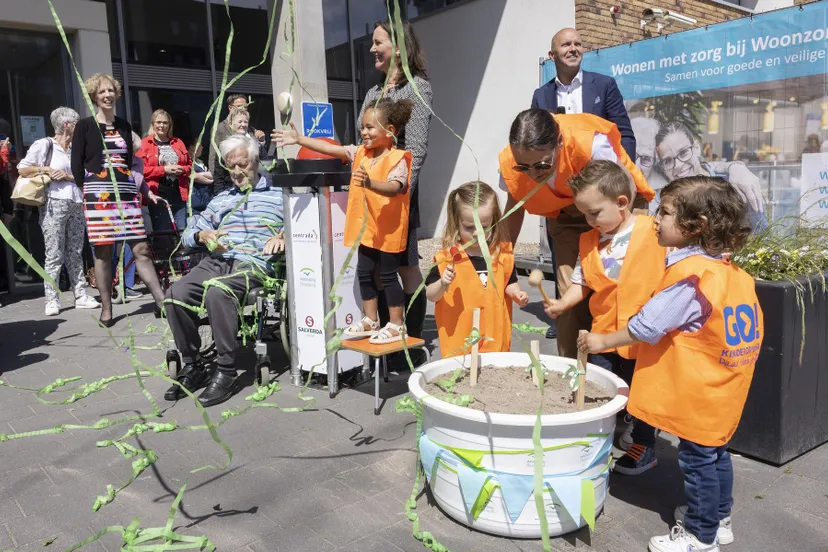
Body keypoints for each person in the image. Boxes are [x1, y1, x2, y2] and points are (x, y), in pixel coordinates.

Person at [578, 176, 762, 552]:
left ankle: (700, 535)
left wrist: (602, 341)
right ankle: (718, 518)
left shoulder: (690, 278)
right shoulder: (731, 273)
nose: (655, 220)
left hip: (696, 393)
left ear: (696, 226)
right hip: (723, 389)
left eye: (664, 212)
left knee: (696, 463)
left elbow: (646, 326)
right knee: (715, 454)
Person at [499, 108, 654, 359]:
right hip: (568, 216)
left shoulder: (591, 144)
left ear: (559, 142)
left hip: (615, 207)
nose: (534, 174)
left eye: (542, 164)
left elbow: (621, 190)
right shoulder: (511, 161)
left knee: (626, 287)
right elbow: (514, 209)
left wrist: (613, 238)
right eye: (524, 167)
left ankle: (631, 357)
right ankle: (575, 367)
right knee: (569, 293)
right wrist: (503, 260)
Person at [543, 160, 662, 474]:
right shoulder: (588, 241)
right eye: (584, 213)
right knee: (600, 386)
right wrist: (562, 304)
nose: (588, 220)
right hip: (603, 333)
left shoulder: (653, 232)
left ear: (622, 202)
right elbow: (581, 281)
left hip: (641, 336)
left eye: (594, 212)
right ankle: (599, 439)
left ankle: (644, 443)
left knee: (641, 392)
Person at [274, 98, 413, 344]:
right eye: (362, 127)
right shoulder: (360, 153)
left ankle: (397, 324)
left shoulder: (398, 159)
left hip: (389, 230)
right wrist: (300, 140)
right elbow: (329, 148)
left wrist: (370, 183)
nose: (364, 132)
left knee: (389, 276)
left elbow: (395, 188)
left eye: (370, 127)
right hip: (367, 229)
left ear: (390, 130)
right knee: (364, 273)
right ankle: (371, 320)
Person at [164, 134, 285, 407]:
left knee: (218, 292)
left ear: (255, 162)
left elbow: (301, 228)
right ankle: (194, 364)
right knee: (174, 294)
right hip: (217, 261)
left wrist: (284, 238)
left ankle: (227, 371)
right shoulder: (220, 199)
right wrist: (202, 235)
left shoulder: (279, 195)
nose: (237, 172)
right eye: (231, 166)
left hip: (252, 263)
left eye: (242, 164)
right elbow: (188, 234)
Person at [358, 19, 432, 349]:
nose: (372, 48)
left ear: (399, 48)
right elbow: (362, 143)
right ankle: (386, 333)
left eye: (378, 42)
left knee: (405, 266)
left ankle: (410, 341)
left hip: (398, 193)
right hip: (371, 196)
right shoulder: (373, 92)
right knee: (375, 268)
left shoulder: (418, 88)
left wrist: (400, 194)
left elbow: (416, 148)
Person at [70, 73, 165, 327]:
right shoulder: (85, 126)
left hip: (126, 193)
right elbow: (76, 164)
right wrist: (89, 190)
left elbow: (128, 161)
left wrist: (135, 187)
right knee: (103, 251)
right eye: (102, 91)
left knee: (141, 248)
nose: (107, 95)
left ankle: (161, 301)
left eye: (111, 90)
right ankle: (107, 307)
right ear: (94, 96)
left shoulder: (123, 125)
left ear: (117, 94)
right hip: (98, 195)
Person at [426, 182, 528, 357]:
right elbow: (431, 295)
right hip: (460, 342)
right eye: (469, 227)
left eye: (484, 226)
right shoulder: (446, 259)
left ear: (494, 222)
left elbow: (509, 282)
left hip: (495, 339)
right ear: (456, 223)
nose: (476, 233)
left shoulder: (501, 255)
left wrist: (517, 294)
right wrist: (442, 283)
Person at [17, 107, 100, 315]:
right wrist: (45, 169)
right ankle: (51, 299)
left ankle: (80, 294)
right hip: (54, 202)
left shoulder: (77, 148)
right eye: (76, 123)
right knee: (54, 253)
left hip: (77, 202)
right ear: (66, 125)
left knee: (75, 251)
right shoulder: (44, 145)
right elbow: (22, 168)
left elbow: (87, 175)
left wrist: (68, 176)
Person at [532, 28, 635, 159]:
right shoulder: (541, 96)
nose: (573, 49)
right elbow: (535, 140)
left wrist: (625, 170)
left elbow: (624, 135)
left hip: (599, 169)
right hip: (559, 170)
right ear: (552, 55)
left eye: (578, 44)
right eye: (566, 45)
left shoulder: (604, 85)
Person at [654, 122, 766, 230]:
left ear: (696, 148)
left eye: (683, 152)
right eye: (668, 161)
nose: (678, 165)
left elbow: (761, 235)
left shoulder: (734, 186)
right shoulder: (660, 202)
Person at [137, 109, 192, 231]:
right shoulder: (145, 144)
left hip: (179, 194)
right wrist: (164, 170)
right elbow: (140, 170)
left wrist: (182, 170)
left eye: (165, 123)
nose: (161, 125)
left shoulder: (178, 142)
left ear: (169, 125)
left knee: (182, 230)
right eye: (158, 122)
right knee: (163, 232)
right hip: (157, 195)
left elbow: (189, 166)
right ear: (153, 124)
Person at [208, 94, 266, 175]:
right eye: (240, 106)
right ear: (230, 108)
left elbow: (259, 153)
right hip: (230, 175)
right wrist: (215, 176)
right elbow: (213, 156)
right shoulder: (220, 129)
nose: (243, 109)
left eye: (245, 106)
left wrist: (261, 141)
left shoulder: (250, 128)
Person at [213, 108, 256, 195]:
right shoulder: (223, 147)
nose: (243, 125)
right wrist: (220, 196)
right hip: (231, 192)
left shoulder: (255, 145)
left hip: (255, 190)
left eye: (245, 122)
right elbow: (219, 176)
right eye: (240, 122)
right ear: (230, 124)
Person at [188, 141, 214, 214]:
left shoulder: (200, 162)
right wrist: (211, 180)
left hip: (207, 201)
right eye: (200, 145)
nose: (202, 147)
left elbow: (212, 175)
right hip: (195, 203)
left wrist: (200, 174)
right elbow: (193, 176)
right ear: (192, 147)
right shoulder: (188, 163)